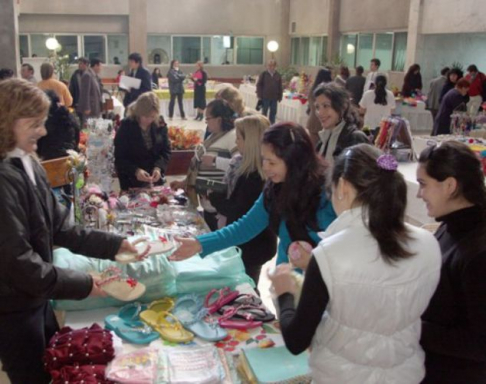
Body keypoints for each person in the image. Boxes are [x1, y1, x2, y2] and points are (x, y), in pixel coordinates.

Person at [0, 78, 139, 384]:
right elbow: (18, 262)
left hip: (36, 299)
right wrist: (83, 284)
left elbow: (62, 228)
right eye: (34, 123)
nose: (44, 131)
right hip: (13, 309)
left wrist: (116, 245)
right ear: (7, 121)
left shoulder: (29, 163)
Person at [269, 144, 441, 383]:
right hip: (405, 374)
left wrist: (284, 293)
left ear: (343, 187)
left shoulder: (331, 254)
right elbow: (383, 297)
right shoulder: (429, 243)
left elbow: (297, 340)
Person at [170, 123, 337, 266]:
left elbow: (340, 250)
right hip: (287, 278)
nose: (265, 167)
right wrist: (200, 244)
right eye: (264, 159)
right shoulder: (274, 189)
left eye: (272, 162)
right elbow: (244, 227)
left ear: (295, 161)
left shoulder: (326, 195)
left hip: (319, 285)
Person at [417, 141, 486, 383]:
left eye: (423, 185)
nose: (418, 194)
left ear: (450, 185)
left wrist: (411, 325)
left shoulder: (478, 253)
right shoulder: (450, 224)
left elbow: (479, 343)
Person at [208, 115, 277, 285]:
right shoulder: (246, 169)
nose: (236, 142)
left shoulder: (254, 177)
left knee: (247, 285)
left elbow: (237, 211)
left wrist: (213, 197)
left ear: (251, 142)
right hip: (253, 245)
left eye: (239, 138)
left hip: (252, 247)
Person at [170, 99, 238, 230]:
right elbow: (198, 165)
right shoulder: (213, 136)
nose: (206, 122)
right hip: (209, 204)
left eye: (208, 118)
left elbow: (240, 166)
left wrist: (215, 161)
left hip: (221, 208)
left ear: (219, 119)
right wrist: (185, 182)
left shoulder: (233, 137)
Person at [114, 92, 171, 191]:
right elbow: (119, 157)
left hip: (154, 181)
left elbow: (165, 150)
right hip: (131, 181)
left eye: (152, 117)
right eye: (145, 116)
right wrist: (135, 171)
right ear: (138, 113)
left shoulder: (160, 123)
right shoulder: (127, 126)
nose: (149, 120)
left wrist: (158, 167)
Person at [314, 83, 369, 165]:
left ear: (343, 106)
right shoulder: (324, 139)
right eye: (317, 107)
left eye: (326, 106)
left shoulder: (355, 139)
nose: (320, 113)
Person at [37, 90, 78, 160]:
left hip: (47, 160)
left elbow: (38, 146)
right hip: (70, 157)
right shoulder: (69, 116)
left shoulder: (44, 121)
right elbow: (77, 137)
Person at [307, 67, 333, 146]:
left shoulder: (313, 89)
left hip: (313, 121)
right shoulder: (328, 92)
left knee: (314, 148)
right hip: (324, 122)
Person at [256, 59, 283, 124]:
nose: (271, 67)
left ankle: (272, 126)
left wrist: (280, 96)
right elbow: (259, 85)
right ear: (267, 66)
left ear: (275, 66)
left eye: (273, 65)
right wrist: (259, 95)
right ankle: (263, 125)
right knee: (264, 112)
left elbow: (280, 86)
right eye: (269, 65)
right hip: (265, 97)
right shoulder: (264, 74)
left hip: (274, 97)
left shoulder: (278, 75)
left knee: (273, 112)